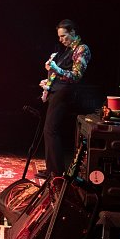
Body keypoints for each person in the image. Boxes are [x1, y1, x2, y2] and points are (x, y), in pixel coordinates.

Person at [39, 19, 91, 176]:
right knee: (49, 129)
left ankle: (55, 171)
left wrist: (57, 69)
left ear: (73, 32)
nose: (61, 40)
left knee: (51, 129)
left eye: (64, 36)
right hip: (57, 91)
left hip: (65, 92)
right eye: (59, 37)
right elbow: (59, 74)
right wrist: (49, 80)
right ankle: (52, 169)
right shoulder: (66, 50)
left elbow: (76, 76)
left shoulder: (82, 49)